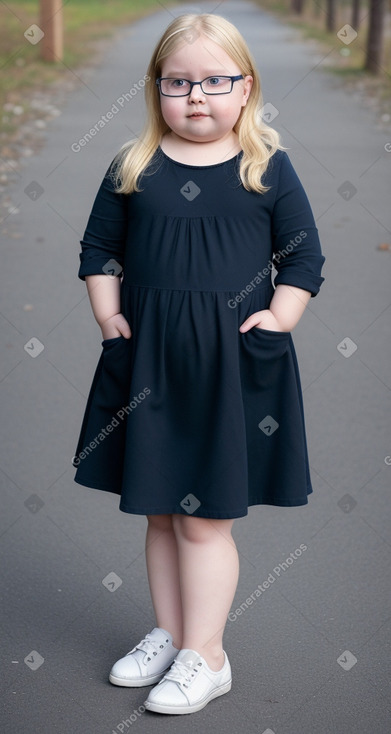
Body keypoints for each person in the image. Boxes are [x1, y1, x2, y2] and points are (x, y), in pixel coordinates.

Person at [73, 12, 325, 716]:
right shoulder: (133, 166)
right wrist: (108, 317)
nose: (195, 96)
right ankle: (172, 631)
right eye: (177, 82)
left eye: (215, 81)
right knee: (158, 511)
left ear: (246, 90)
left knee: (203, 520)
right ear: (155, 89)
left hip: (232, 365)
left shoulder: (264, 168)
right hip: (147, 358)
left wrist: (277, 319)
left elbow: (302, 256)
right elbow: (99, 249)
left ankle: (207, 655)